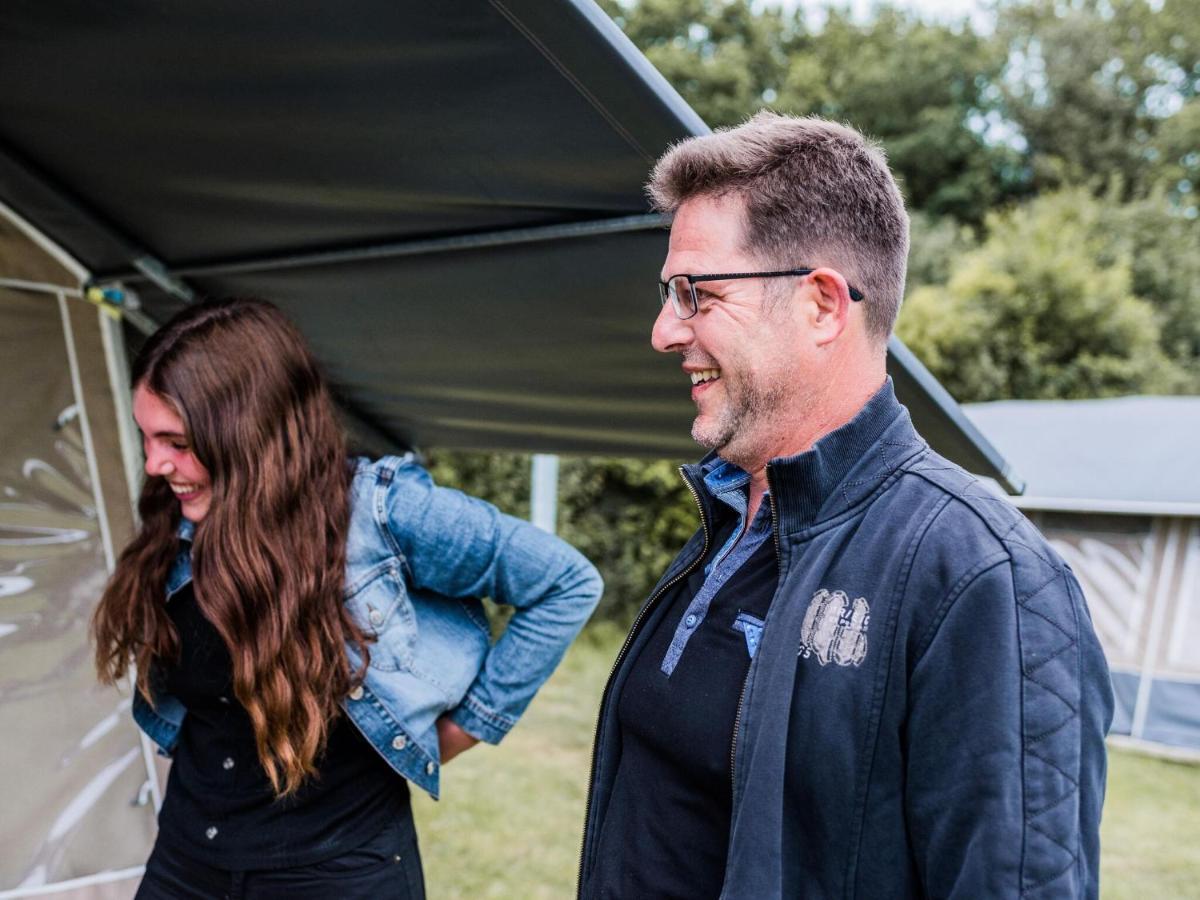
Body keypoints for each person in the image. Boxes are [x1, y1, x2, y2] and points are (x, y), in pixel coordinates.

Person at [578, 112, 1113, 899]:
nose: (665, 330)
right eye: (668, 294)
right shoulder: (731, 521)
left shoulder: (981, 576)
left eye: (696, 293)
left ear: (823, 305)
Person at [92, 297, 602, 899]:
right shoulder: (179, 519)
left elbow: (565, 581)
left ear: (248, 430)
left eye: (176, 441)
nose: (154, 464)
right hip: (187, 864)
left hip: (339, 874)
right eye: (146, 437)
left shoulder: (383, 512)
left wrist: (468, 726)